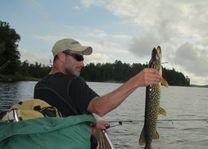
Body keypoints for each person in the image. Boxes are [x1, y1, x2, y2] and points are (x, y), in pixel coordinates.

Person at [34, 38, 162, 129]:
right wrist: (136, 81)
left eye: (82, 59)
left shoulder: (40, 86)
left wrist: (92, 124)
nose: (82, 64)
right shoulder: (72, 82)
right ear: (61, 56)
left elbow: (62, 119)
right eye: (78, 58)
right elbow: (99, 108)